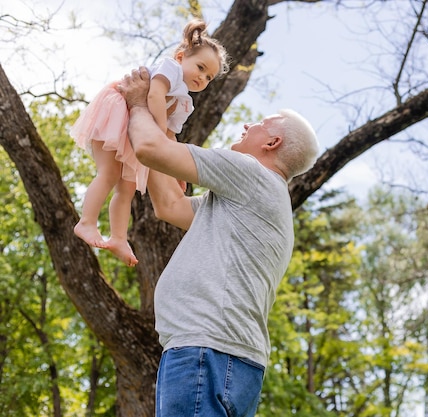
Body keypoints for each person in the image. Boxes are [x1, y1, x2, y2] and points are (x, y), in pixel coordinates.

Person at [117, 66, 319, 416]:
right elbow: (169, 205)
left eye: (258, 124)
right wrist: (161, 119)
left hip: (206, 351)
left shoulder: (252, 174)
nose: (247, 126)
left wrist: (137, 105)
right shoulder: (247, 202)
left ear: (273, 143)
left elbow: (150, 148)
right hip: (227, 359)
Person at [70, 19, 229, 266]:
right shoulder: (170, 69)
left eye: (209, 76)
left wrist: (176, 167)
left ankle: (119, 238)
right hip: (118, 112)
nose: (202, 77)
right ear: (180, 57)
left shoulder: (185, 103)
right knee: (110, 172)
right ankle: (87, 222)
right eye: (199, 67)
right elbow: (154, 95)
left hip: (138, 129)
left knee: (128, 186)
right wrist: (158, 129)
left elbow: (169, 136)